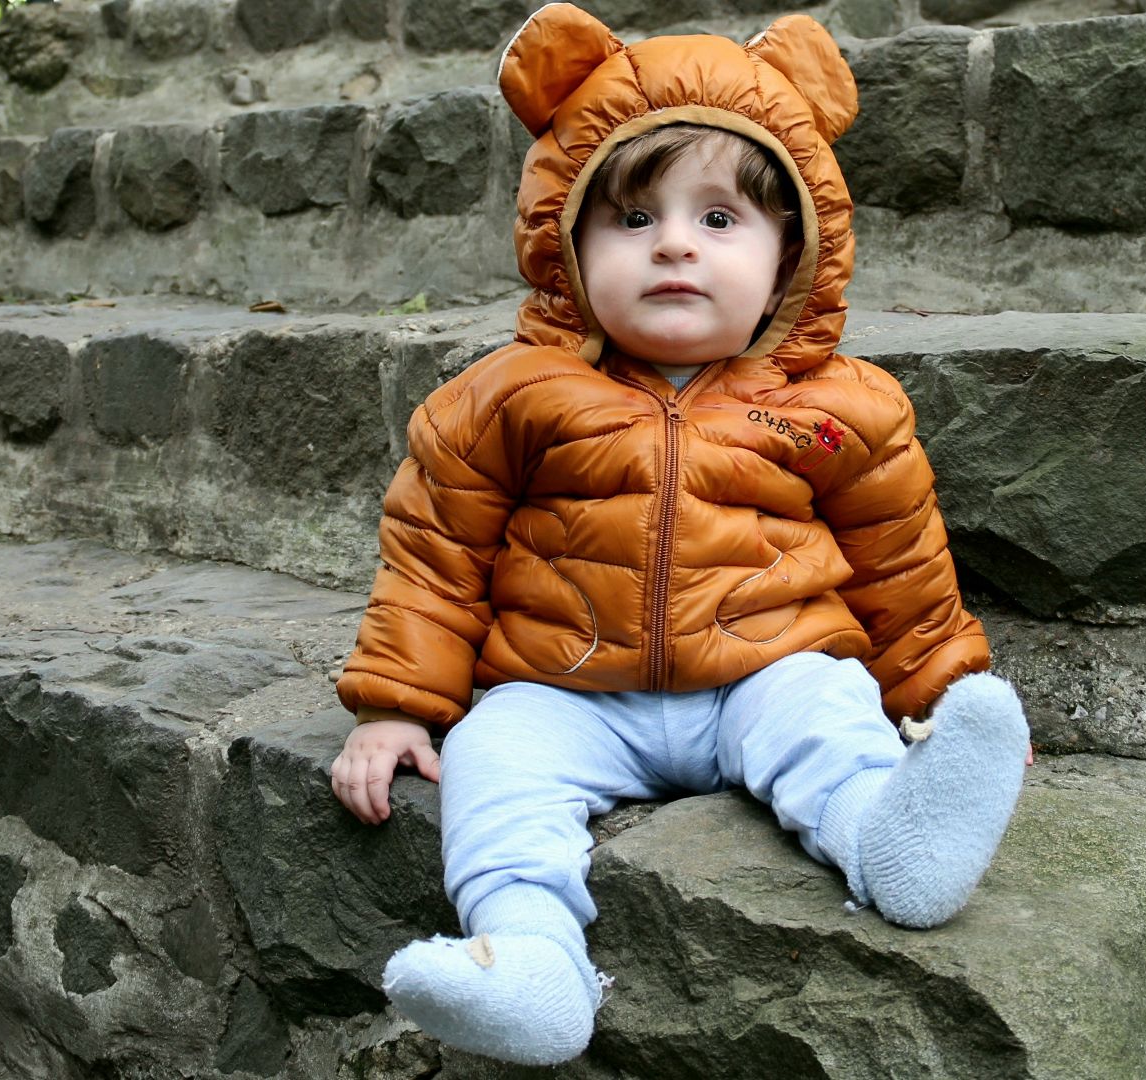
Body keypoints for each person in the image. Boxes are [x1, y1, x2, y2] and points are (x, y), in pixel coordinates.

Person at [327, 4, 1029, 1066]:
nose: (673, 245)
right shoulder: (511, 395)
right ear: (566, 243)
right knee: (493, 761)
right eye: (632, 217)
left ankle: (896, 840)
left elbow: (900, 561)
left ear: (791, 251)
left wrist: (936, 691)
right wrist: (394, 706)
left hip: (764, 669)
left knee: (830, 714)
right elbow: (436, 552)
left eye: (719, 219)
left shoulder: (840, 407)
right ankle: (530, 955)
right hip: (566, 686)